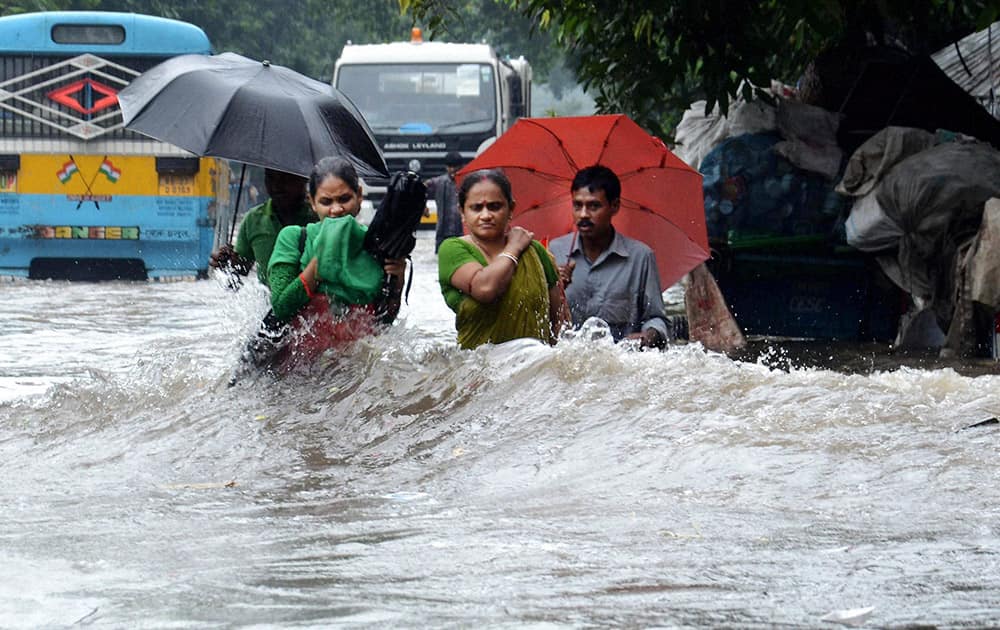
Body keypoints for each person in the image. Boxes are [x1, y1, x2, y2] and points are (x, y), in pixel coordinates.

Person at [265, 157, 406, 367]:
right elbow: (282, 307)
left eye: (344, 199)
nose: (336, 209)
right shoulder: (295, 239)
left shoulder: (375, 246)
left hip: (351, 372)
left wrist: (397, 282)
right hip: (296, 371)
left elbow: (382, 323)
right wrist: (319, 265)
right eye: (326, 201)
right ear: (312, 202)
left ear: (359, 196)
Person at [437, 169, 568, 349]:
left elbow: (559, 319)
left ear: (511, 208)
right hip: (478, 371)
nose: (486, 215)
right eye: (476, 208)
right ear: (462, 212)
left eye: (495, 206)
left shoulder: (534, 251)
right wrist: (513, 248)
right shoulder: (452, 249)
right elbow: (485, 288)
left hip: (534, 369)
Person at [548, 165, 669, 349]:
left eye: (594, 206)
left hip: (620, 362)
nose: (583, 214)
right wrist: (557, 290)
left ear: (614, 206)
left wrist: (648, 336)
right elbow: (540, 319)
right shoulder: (555, 252)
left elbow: (656, 318)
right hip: (568, 363)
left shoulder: (640, 257)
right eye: (577, 205)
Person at [209, 168, 316, 287]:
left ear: (303, 179)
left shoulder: (319, 217)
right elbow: (242, 268)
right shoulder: (254, 219)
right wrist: (228, 262)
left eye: (285, 179)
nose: (276, 186)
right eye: (270, 178)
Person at [425, 151, 465, 252]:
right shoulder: (439, 182)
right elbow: (421, 188)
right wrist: (423, 207)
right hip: (443, 233)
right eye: (449, 167)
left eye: (455, 167)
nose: (452, 170)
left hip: (463, 232)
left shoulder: (467, 182)